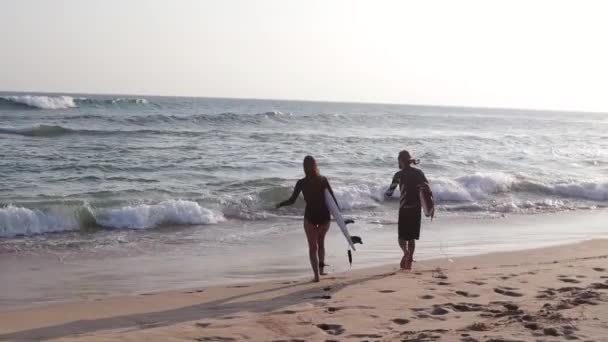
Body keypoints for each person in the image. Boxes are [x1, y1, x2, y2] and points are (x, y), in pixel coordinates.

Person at [276, 156, 339, 282]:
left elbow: (292, 200)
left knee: (312, 247)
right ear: (316, 165)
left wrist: (280, 204)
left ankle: (316, 276)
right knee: (321, 244)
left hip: (310, 217)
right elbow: (333, 199)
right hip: (324, 217)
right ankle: (321, 270)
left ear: (304, 167)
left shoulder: (301, 183)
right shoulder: (323, 180)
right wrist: (339, 216)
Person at [385, 150, 429, 270]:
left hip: (404, 209)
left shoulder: (399, 175)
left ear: (400, 160)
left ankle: (405, 252)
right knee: (412, 237)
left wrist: (382, 195)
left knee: (402, 237)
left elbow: (389, 192)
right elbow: (426, 186)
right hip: (416, 209)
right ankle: (409, 259)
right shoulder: (419, 172)